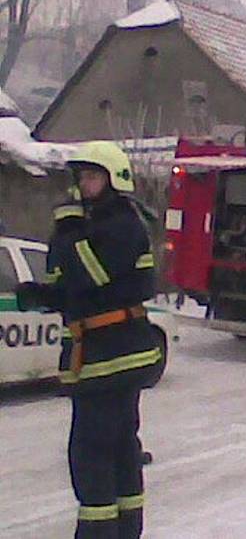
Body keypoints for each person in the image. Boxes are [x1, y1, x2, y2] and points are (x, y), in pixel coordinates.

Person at [16, 141, 162, 538]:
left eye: (93, 177)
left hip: (111, 357)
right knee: (118, 450)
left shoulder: (121, 225)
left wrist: (67, 229)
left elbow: (91, 273)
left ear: (115, 180)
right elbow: (78, 291)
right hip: (107, 355)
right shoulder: (101, 224)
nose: (83, 185)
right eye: (81, 177)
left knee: (92, 454)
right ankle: (124, 530)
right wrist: (41, 295)